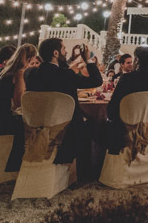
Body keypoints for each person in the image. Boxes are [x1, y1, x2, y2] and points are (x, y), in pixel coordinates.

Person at [24, 37, 103, 181]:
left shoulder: (29, 74)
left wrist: (69, 61)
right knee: (94, 124)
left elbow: (55, 71)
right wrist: (88, 60)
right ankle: (87, 174)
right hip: (65, 128)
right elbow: (96, 81)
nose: (66, 52)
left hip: (34, 125)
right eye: (64, 49)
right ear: (55, 53)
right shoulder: (66, 75)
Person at [0, 44, 38, 171]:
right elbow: (18, 102)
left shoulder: (3, 70)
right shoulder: (19, 72)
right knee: (35, 125)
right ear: (31, 58)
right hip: (3, 122)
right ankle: (18, 165)